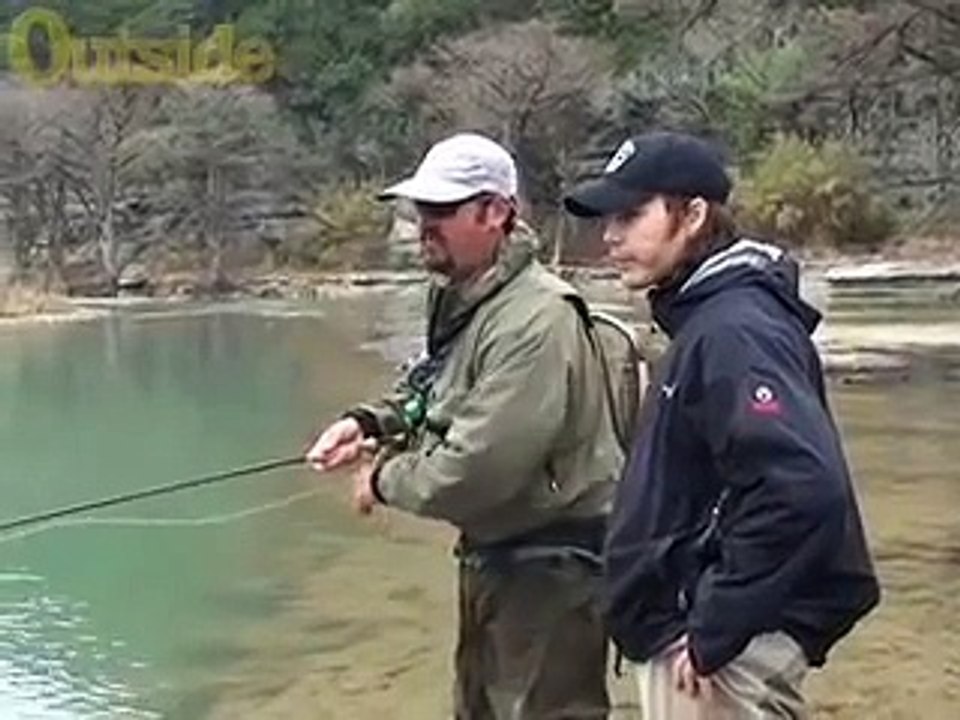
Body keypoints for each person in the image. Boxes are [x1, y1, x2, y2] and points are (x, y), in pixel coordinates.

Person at [562, 131, 881, 719]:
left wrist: (716, 626)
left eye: (631, 216)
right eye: (608, 220)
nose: (610, 237)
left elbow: (801, 488)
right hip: (706, 643)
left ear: (694, 215)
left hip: (719, 658)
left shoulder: (735, 330)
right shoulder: (713, 321)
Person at [306, 132, 623, 719]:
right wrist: (368, 423)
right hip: (494, 559)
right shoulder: (461, 297)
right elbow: (432, 386)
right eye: (421, 209)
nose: (425, 224)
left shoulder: (537, 318)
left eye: (443, 210)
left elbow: (477, 469)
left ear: (497, 212)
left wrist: (382, 480)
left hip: (552, 571)